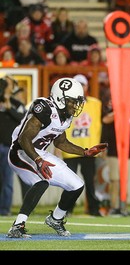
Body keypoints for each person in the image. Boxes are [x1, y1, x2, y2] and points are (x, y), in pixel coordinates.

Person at [6, 77, 108, 238]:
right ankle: (17, 226)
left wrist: (85, 152)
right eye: (73, 101)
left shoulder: (65, 115)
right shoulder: (45, 109)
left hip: (40, 153)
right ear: (61, 98)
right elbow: (24, 138)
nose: (76, 105)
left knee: (77, 185)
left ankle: (56, 219)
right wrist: (38, 160)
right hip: (20, 152)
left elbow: (61, 142)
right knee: (41, 182)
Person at [60, 74, 104, 217]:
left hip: (88, 150)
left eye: (82, 84)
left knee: (90, 182)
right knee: (69, 183)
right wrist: (57, 147)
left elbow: (102, 124)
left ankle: (93, 209)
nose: (81, 87)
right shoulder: (65, 104)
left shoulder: (96, 104)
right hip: (70, 149)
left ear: (86, 86)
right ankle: (65, 210)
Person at [101, 88, 130, 216]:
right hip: (114, 152)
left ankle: (123, 206)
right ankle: (114, 207)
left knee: (124, 181)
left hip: (128, 153)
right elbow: (105, 127)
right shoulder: (114, 113)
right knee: (115, 180)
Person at [0, 75, 27, 216]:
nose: (5, 87)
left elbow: (22, 120)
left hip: (8, 146)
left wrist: (9, 107)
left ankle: (4, 210)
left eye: (8, 84)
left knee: (7, 180)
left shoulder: (17, 104)